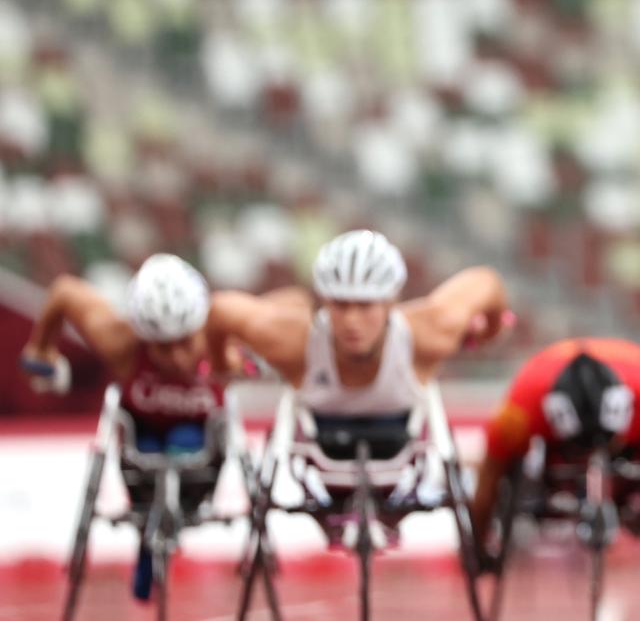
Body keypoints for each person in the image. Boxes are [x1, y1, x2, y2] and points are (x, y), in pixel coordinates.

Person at [204, 229, 510, 514]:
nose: (352, 321)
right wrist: (223, 365)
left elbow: (489, 284)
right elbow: (219, 311)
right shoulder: (295, 340)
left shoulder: (427, 331)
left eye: (365, 306)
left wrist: (487, 335)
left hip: (398, 446)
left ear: (391, 303)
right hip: (324, 451)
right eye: (340, 305)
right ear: (324, 301)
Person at [21, 253, 241, 600]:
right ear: (142, 334)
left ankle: (164, 527)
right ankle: (149, 537)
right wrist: (41, 348)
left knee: (186, 440)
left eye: (185, 342)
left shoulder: (222, 340)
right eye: (163, 348)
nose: (178, 358)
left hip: (201, 449)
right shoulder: (120, 341)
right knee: (147, 451)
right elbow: (64, 291)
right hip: (142, 442)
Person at [471, 338, 640, 566]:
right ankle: (562, 478)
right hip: (557, 442)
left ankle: (633, 497)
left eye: (604, 443)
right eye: (581, 448)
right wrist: (478, 541)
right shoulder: (521, 408)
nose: (592, 455)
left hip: (634, 423)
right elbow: (489, 477)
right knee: (518, 460)